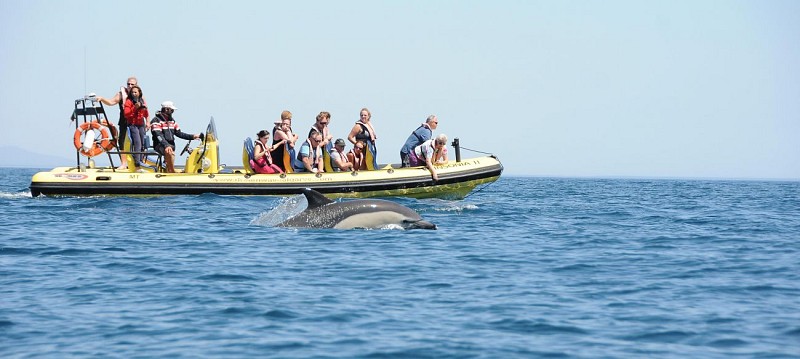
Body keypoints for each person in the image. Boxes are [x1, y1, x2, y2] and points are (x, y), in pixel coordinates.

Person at [96, 76, 140, 169]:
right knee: (122, 141)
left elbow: (146, 108)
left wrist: (147, 122)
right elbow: (111, 102)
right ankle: (123, 164)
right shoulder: (121, 94)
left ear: (136, 85)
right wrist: (102, 99)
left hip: (136, 122)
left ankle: (138, 164)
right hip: (124, 121)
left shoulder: (139, 94)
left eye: (132, 84)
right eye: (128, 84)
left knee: (137, 142)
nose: (130, 86)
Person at [150, 101, 201, 173]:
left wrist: (193, 136)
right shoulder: (156, 120)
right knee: (169, 152)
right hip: (160, 145)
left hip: (171, 146)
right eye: (172, 110)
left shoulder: (172, 121)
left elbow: (179, 133)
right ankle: (171, 171)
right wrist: (166, 145)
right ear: (166, 109)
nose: (173, 112)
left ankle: (169, 169)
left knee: (170, 151)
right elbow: (158, 135)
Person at [122, 85, 149, 169]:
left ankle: (141, 161)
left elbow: (146, 114)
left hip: (141, 124)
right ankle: (137, 164)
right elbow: (126, 114)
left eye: (135, 92)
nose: (134, 94)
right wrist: (135, 108)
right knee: (137, 142)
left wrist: (144, 109)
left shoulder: (141, 100)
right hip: (132, 125)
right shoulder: (128, 101)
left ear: (139, 93)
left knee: (142, 143)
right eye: (132, 92)